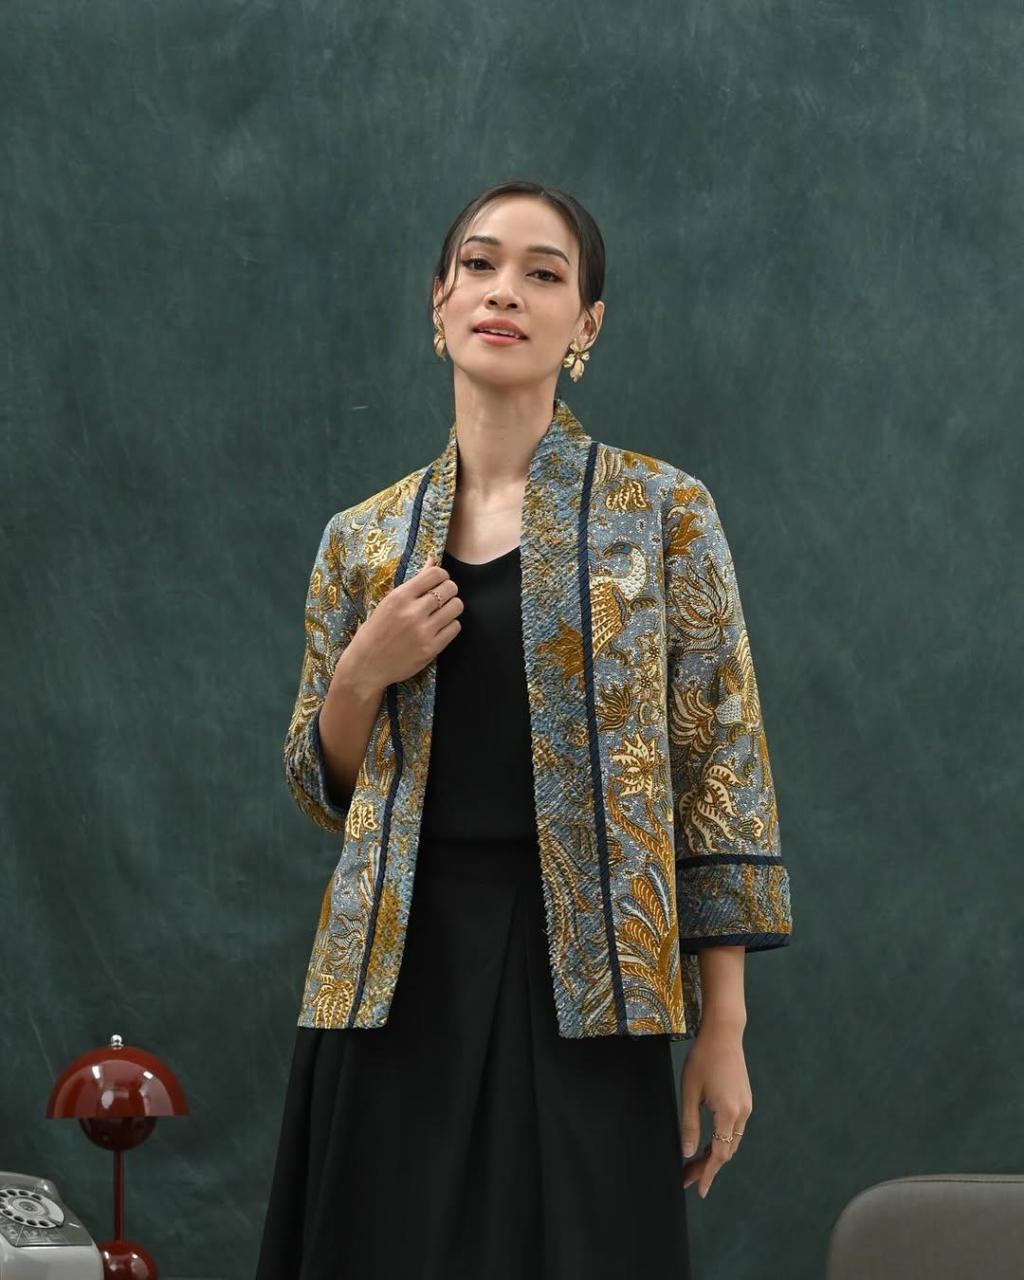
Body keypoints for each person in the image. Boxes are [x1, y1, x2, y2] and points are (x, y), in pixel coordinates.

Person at [256, 179, 792, 1280]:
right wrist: (361, 672)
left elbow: (719, 770)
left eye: (543, 274)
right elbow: (324, 785)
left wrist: (723, 1025)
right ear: (440, 299)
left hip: (591, 986)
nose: (504, 291)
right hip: (388, 985)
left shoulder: (662, 513)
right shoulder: (363, 540)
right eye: (481, 263)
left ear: (585, 323)